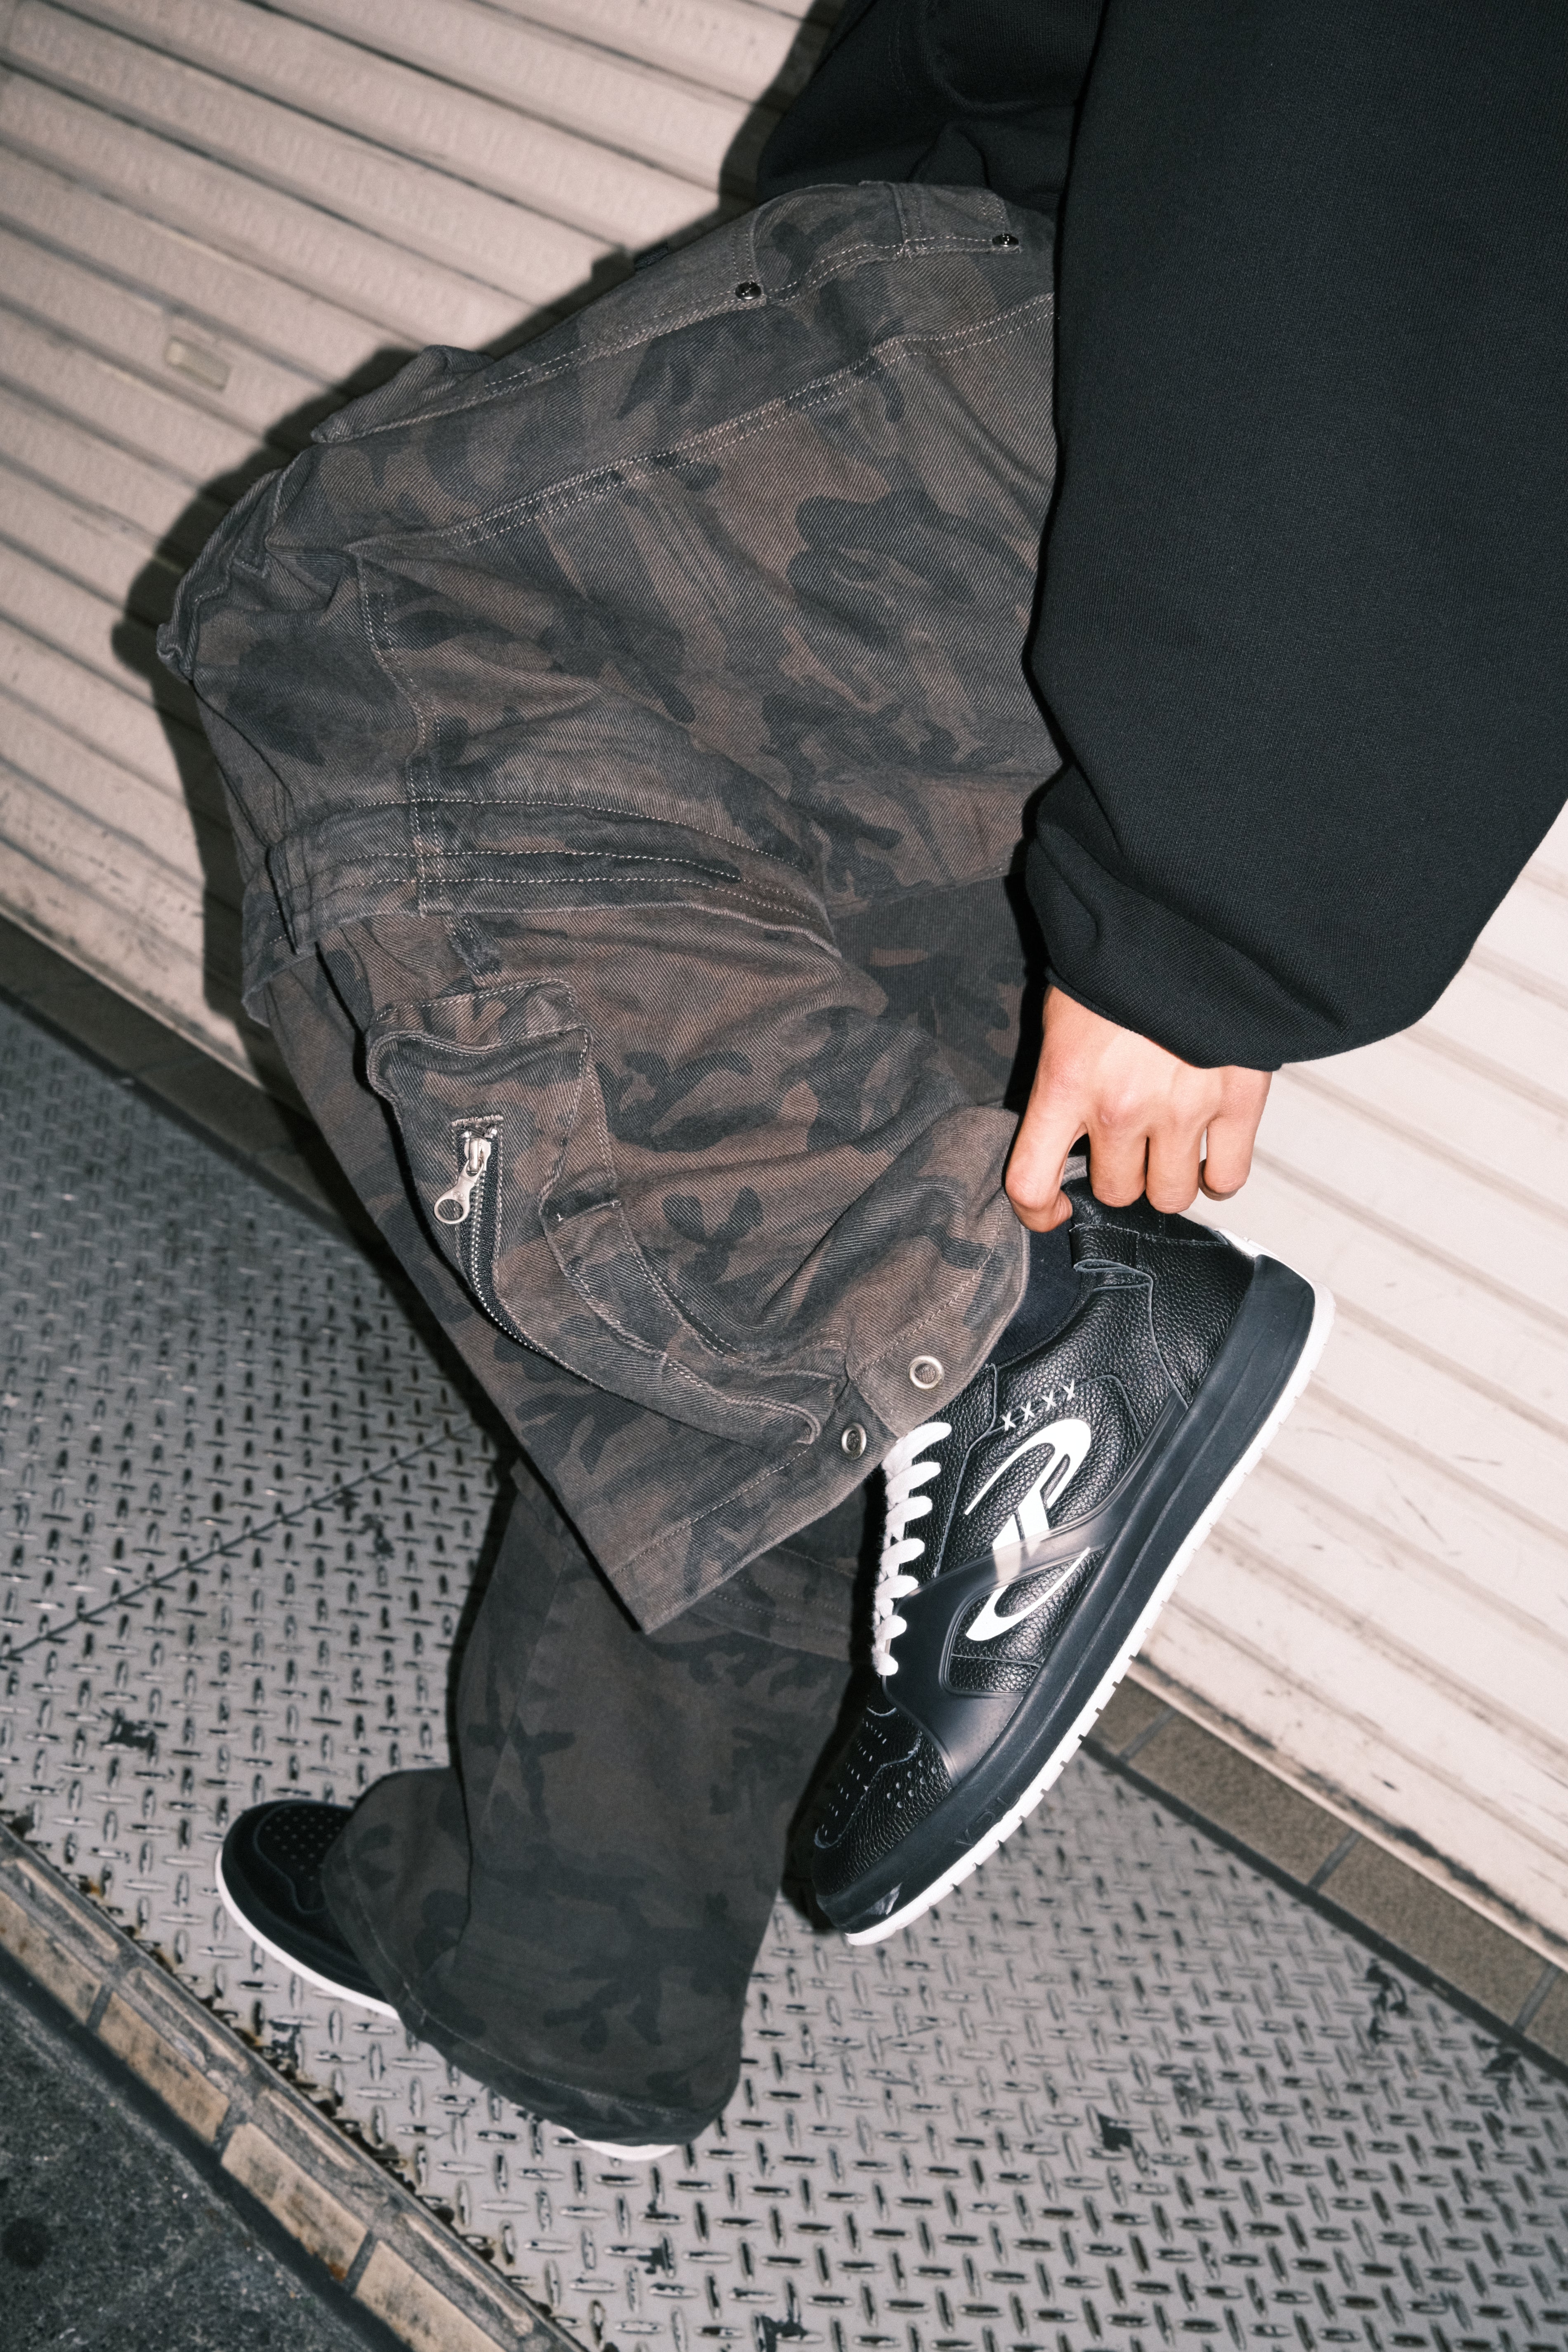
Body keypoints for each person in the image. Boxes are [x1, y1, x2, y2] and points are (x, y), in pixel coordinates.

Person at [158, 0, 1568, 2156]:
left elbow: (1421, 88)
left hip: (1103, 333)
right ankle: (581, 1961)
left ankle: (1022, 1345)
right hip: (1170, 441)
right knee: (741, 1189)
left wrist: (1211, 892)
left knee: (336, 599)